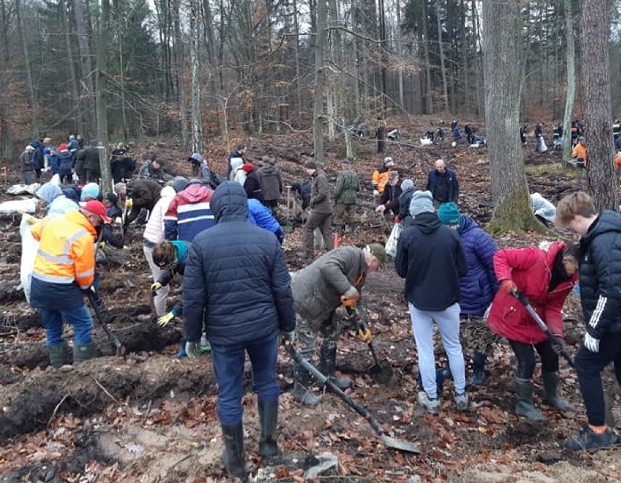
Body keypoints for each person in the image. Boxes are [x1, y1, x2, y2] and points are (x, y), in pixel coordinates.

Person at [181, 182, 295, 480]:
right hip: (263, 327)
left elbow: (193, 298)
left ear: (216, 208)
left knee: (229, 394)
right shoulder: (268, 240)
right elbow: (283, 290)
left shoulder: (201, 244)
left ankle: (236, 463)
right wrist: (289, 326)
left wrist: (191, 336)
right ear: (244, 206)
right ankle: (268, 447)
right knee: (267, 383)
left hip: (224, 333)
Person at [554, 191, 621, 450]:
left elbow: (611, 291)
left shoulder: (605, 243)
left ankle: (597, 431)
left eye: (570, 225)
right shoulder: (605, 233)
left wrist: (594, 330)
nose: (572, 231)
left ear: (578, 218)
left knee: (585, 364)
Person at [395, 191, 469, 414]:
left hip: (419, 302)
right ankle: (460, 393)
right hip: (448, 301)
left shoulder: (407, 236)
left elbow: (400, 270)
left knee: (425, 349)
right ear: (432, 209)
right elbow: (463, 269)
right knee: (453, 346)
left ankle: (431, 397)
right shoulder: (450, 234)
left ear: (414, 212)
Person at [489, 242, 580, 421]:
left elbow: (554, 306)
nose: (576, 273)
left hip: (537, 318)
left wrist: (556, 334)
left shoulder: (569, 280)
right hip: (513, 313)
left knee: (552, 354)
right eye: (575, 268)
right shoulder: (536, 257)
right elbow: (501, 256)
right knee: (527, 360)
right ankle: (524, 404)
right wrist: (506, 280)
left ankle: (551, 394)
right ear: (567, 260)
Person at [290, 244, 386, 405]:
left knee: (333, 332)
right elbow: (327, 267)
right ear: (373, 260)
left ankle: (327, 378)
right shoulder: (349, 254)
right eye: (378, 266)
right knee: (306, 346)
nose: (376, 271)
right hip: (304, 299)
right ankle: (300, 391)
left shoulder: (361, 274)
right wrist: (347, 288)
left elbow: (353, 301)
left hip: (322, 305)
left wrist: (361, 326)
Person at [29, 199, 110, 367]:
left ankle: (59, 367)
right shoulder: (82, 236)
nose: (99, 224)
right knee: (83, 323)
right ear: (90, 216)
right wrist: (87, 287)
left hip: (38, 282)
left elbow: (35, 232)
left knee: (53, 326)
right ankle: (82, 368)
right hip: (61, 286)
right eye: (99, 220)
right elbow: (85, 273)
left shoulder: (54, 219)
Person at [437, 202, 499, 389]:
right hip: (454, 297)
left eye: (450, 226)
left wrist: (496, 300)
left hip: (478, 297)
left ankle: (478, 370)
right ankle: (452, 367)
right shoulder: (441, 237)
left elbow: (495, 268)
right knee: (455, 336)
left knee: (480, 337)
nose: (448, 229)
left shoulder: (477, 238)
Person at [142, 184, 178, 317]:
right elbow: (166, 225)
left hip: (151, 244)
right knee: (162, 286)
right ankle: (160, 319)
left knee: (162, 283)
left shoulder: (163, 200)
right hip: (155, 247)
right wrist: (172, 245)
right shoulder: (169, 201)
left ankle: (159, 313)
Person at [152, 239, 192, 357]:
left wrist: (173, 313)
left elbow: (190, 294)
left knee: (192, 315)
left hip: (207, 284)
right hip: (195, 280)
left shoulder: (190, 261)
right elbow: (171, 267)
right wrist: (161, 281)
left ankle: (189, 349)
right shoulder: (173, 250)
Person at [302, 161, 334, 260]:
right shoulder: (319, 176)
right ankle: (332, 255)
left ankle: (308, 254)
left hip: (320, 209)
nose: (307, 171)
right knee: (327, 232)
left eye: (307, 169)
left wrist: (312, 201)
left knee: (308, 228)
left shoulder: (320, 177)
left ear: (312, 168)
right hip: (326, 209)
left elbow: (322, 193)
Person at [332, 159, 359, 231]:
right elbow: (358, 187)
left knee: (338, 217)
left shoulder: (342, 174)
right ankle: (352, 234)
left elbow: (338, 188)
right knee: (352, 217)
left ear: (343, 166)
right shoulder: (355, 174)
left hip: (342, 199)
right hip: (353, 198)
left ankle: (338, 235)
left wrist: (334, 197)